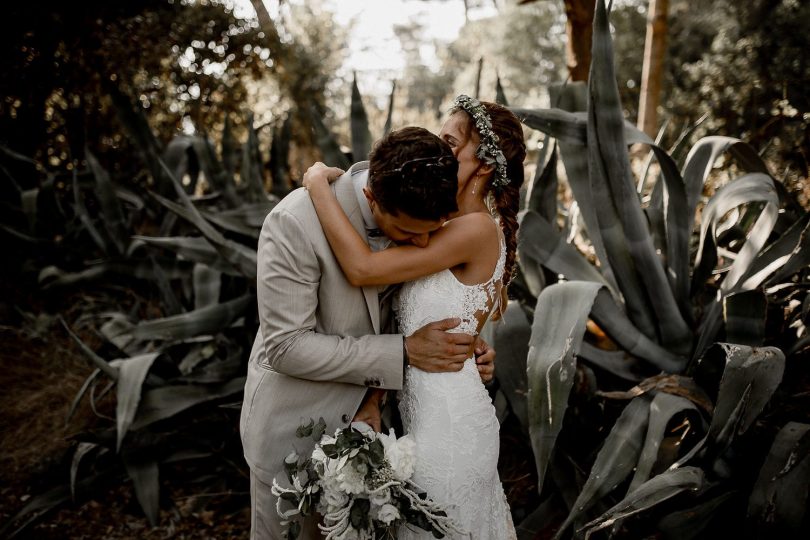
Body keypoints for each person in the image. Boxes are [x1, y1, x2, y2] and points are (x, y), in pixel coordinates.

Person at [240, 126, 496, 540]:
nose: (425, 243)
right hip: (293, 433)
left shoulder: (420, 193)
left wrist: (467, 345)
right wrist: (405, 353)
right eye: (411, 232)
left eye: (435, 229)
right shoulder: (295, 222)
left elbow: (418, 305)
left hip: (384, 439)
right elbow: (286, 347)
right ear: (373, 198)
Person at [302, 95, 527, 539]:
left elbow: (363, 268)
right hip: (427, 419)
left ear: (482, 164)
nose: (439, 152)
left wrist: (315, 185)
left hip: (450, 432)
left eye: (450, 143)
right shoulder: (444, 225)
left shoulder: (476, 228)